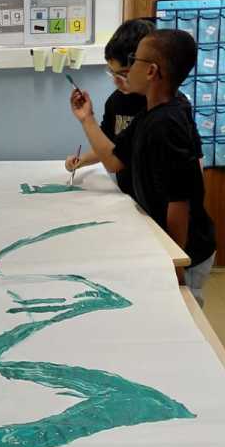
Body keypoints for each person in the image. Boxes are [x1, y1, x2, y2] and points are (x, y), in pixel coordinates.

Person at [69, 28, 216, 305]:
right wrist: (87, 119)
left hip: (187, 251)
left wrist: (176, 264)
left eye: (134, 60)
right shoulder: (149, 115)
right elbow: (114, 160)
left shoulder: (168, 123)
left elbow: (180, 203)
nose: (128, 68)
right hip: (165, 244)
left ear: (150, 71)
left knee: (184, 311)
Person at [65, 17, 203, 193]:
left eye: (123, 74)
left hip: (159, 205)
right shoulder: (119, 103)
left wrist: (87, 119)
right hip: (131, 199)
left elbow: (190, 173)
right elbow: (112, 153)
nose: (116, 81)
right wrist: (82, 158)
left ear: (148, 69)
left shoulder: (168, 113)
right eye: (111, 72)